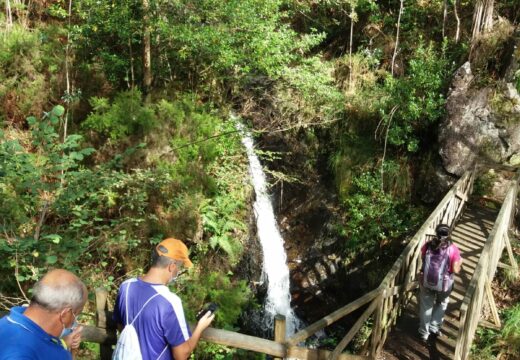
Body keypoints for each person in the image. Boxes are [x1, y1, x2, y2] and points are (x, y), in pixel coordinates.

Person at [113, 237, 214, 360]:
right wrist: (200, 327)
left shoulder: (126, 286)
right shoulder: (170, 302)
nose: (179, 271)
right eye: (180, 267)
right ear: (172, 267)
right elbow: (181, 355)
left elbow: (120, 324)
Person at [0, 269, 88, 360]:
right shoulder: (21, 355)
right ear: (65, 315)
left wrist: (63, 344)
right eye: (77, 314)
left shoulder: (6, 325)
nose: (75, 321)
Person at [418, 223, 462, 342]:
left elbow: (423, 259)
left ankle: (423, 333)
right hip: (444, 285)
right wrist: (460, 262)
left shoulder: (427, 246)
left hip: (426, 281)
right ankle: (434, 327)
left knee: (426, 306)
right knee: (442, 302)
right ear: (449, 234)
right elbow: (456, 270)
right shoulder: (453, 249)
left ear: (436, 233)